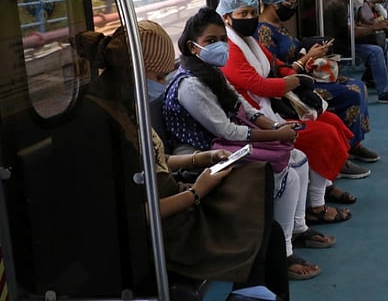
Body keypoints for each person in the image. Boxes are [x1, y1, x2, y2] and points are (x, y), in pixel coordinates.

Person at [75, 20, 290, 301]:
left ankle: (251, 290)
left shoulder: (127, 107)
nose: (164, 84)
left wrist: (201, 158)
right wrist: (196, 192)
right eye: (160, 76)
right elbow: (130, 214)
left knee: (265, 221)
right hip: (157, 232)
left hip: (173, 205)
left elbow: (154, 161)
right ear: (133, 73)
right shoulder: (96, 125)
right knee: (259, 229)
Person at [162, 8, 323, 282]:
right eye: (211, 41)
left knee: (300, 158)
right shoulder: (190, 84)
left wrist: (273, 127)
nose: (221, 46)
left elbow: (243, 107)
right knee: (288, 175)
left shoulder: (212, 73)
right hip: (201, 153)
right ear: (193, 46)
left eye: (223, 39)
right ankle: (282, 253)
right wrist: (275, 136)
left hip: (224, 143)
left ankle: (297, 228)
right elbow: (226, 129)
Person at [255, 0, 381, 168]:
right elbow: (276, 72)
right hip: (291, 89)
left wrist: (313, 55)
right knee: (352, 91)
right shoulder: (263, 32)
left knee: (358, 85)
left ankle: (353, 142)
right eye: (291, 3)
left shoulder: (278, 25)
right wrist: (307, 59)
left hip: (304, 76)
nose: (293, 7)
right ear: (274, 2)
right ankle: (344, 149)